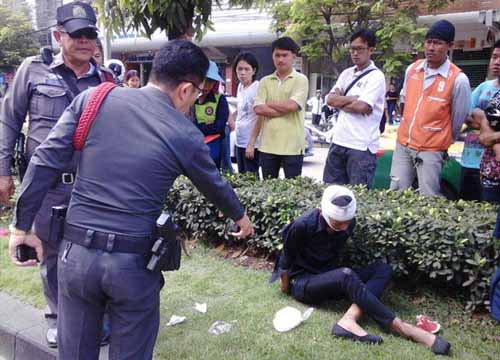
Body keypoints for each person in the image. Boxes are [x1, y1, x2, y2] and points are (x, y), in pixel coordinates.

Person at [8, 40, 254, 359]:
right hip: (132, 266)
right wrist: (241, 218)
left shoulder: (93, 99)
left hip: (76, 258)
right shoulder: (184, 133)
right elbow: (214, 184)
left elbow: (43, 161)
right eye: (197, 93)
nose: (195, 101)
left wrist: (21, 227)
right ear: (184, 90)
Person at [0, 1, 114, 348]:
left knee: (93, 254)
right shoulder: (32, 70)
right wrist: (2, 172)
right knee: (50, 255)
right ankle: (57, 316)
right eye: (76, 34)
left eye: (89, 34)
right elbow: (8, 120)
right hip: (48, 187)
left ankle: (98, 316)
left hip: (92, 187)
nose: (84, 41)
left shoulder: (107, 80)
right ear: (57, 35)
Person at [271, 185, 451, 355]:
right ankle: (401, 327)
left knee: (383, 269)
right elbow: (285, 261)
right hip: (302, 283)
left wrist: (335, 278)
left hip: (329, 277)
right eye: (338, 222)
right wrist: (287, 289)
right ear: (325, 214)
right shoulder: (302, 226)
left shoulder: (349, 223)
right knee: (345, 275)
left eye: (347, 222)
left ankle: (348, 319)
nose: (344, 227)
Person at [389, 20, 471, 197]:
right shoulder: (412, 69)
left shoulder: (458, 80)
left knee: (429, 197)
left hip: (431, 149)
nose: (431, 47)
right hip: (404, 143)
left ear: (450, 46)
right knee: (396, 193)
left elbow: (458, 119)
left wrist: (442, 144)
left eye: (438, 43)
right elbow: (404, 101)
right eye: (429, 42)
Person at [322, 29, 386, 188]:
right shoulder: (346, 74)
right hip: (338, 142)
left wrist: (341, 101)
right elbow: (329, 99)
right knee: (332, 196)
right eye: (352, 49)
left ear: (371, 50)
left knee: (358, 199)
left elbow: (363, 106)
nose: (355, 53)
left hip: (361, 148)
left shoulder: (376, 76)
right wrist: (352, 99)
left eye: (360, 49)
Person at [254, 36, 309, 179]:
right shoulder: (265, 81)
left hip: (293, 146)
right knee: (268, 191)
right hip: (267, 146)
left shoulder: (301, 80)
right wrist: (285, 107)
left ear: (293, 57)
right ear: (272, 57)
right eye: (277, 55)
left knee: (294, 191)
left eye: (285, 55)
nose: (281, 59)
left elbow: (293, 105)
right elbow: (258, 109)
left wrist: (269, 103)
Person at [466, 40, 500, 203]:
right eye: (494, 57)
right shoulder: (487, 90)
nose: (497, 62)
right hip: (485, 169)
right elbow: (470, 116)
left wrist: (483, 122)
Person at [194, 61, 229, 169]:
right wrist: (207, 125)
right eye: (203, 80)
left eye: (210, 81)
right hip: (195, 146)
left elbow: (219, 127)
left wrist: (198, 126)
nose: (206, 85)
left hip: (215, 147)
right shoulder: (190, 98)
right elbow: (186, 124)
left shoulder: (220, 99)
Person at [233, 51, 261, 175]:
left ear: (253, 71)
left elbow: (261, 117)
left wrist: (251, 143)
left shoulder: (257, 87)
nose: (243, 73)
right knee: (242, 177)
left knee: (251, 179)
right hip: (239, 140)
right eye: (239, 69)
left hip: (251, 145)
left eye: (246, 69)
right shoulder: (240, 87)